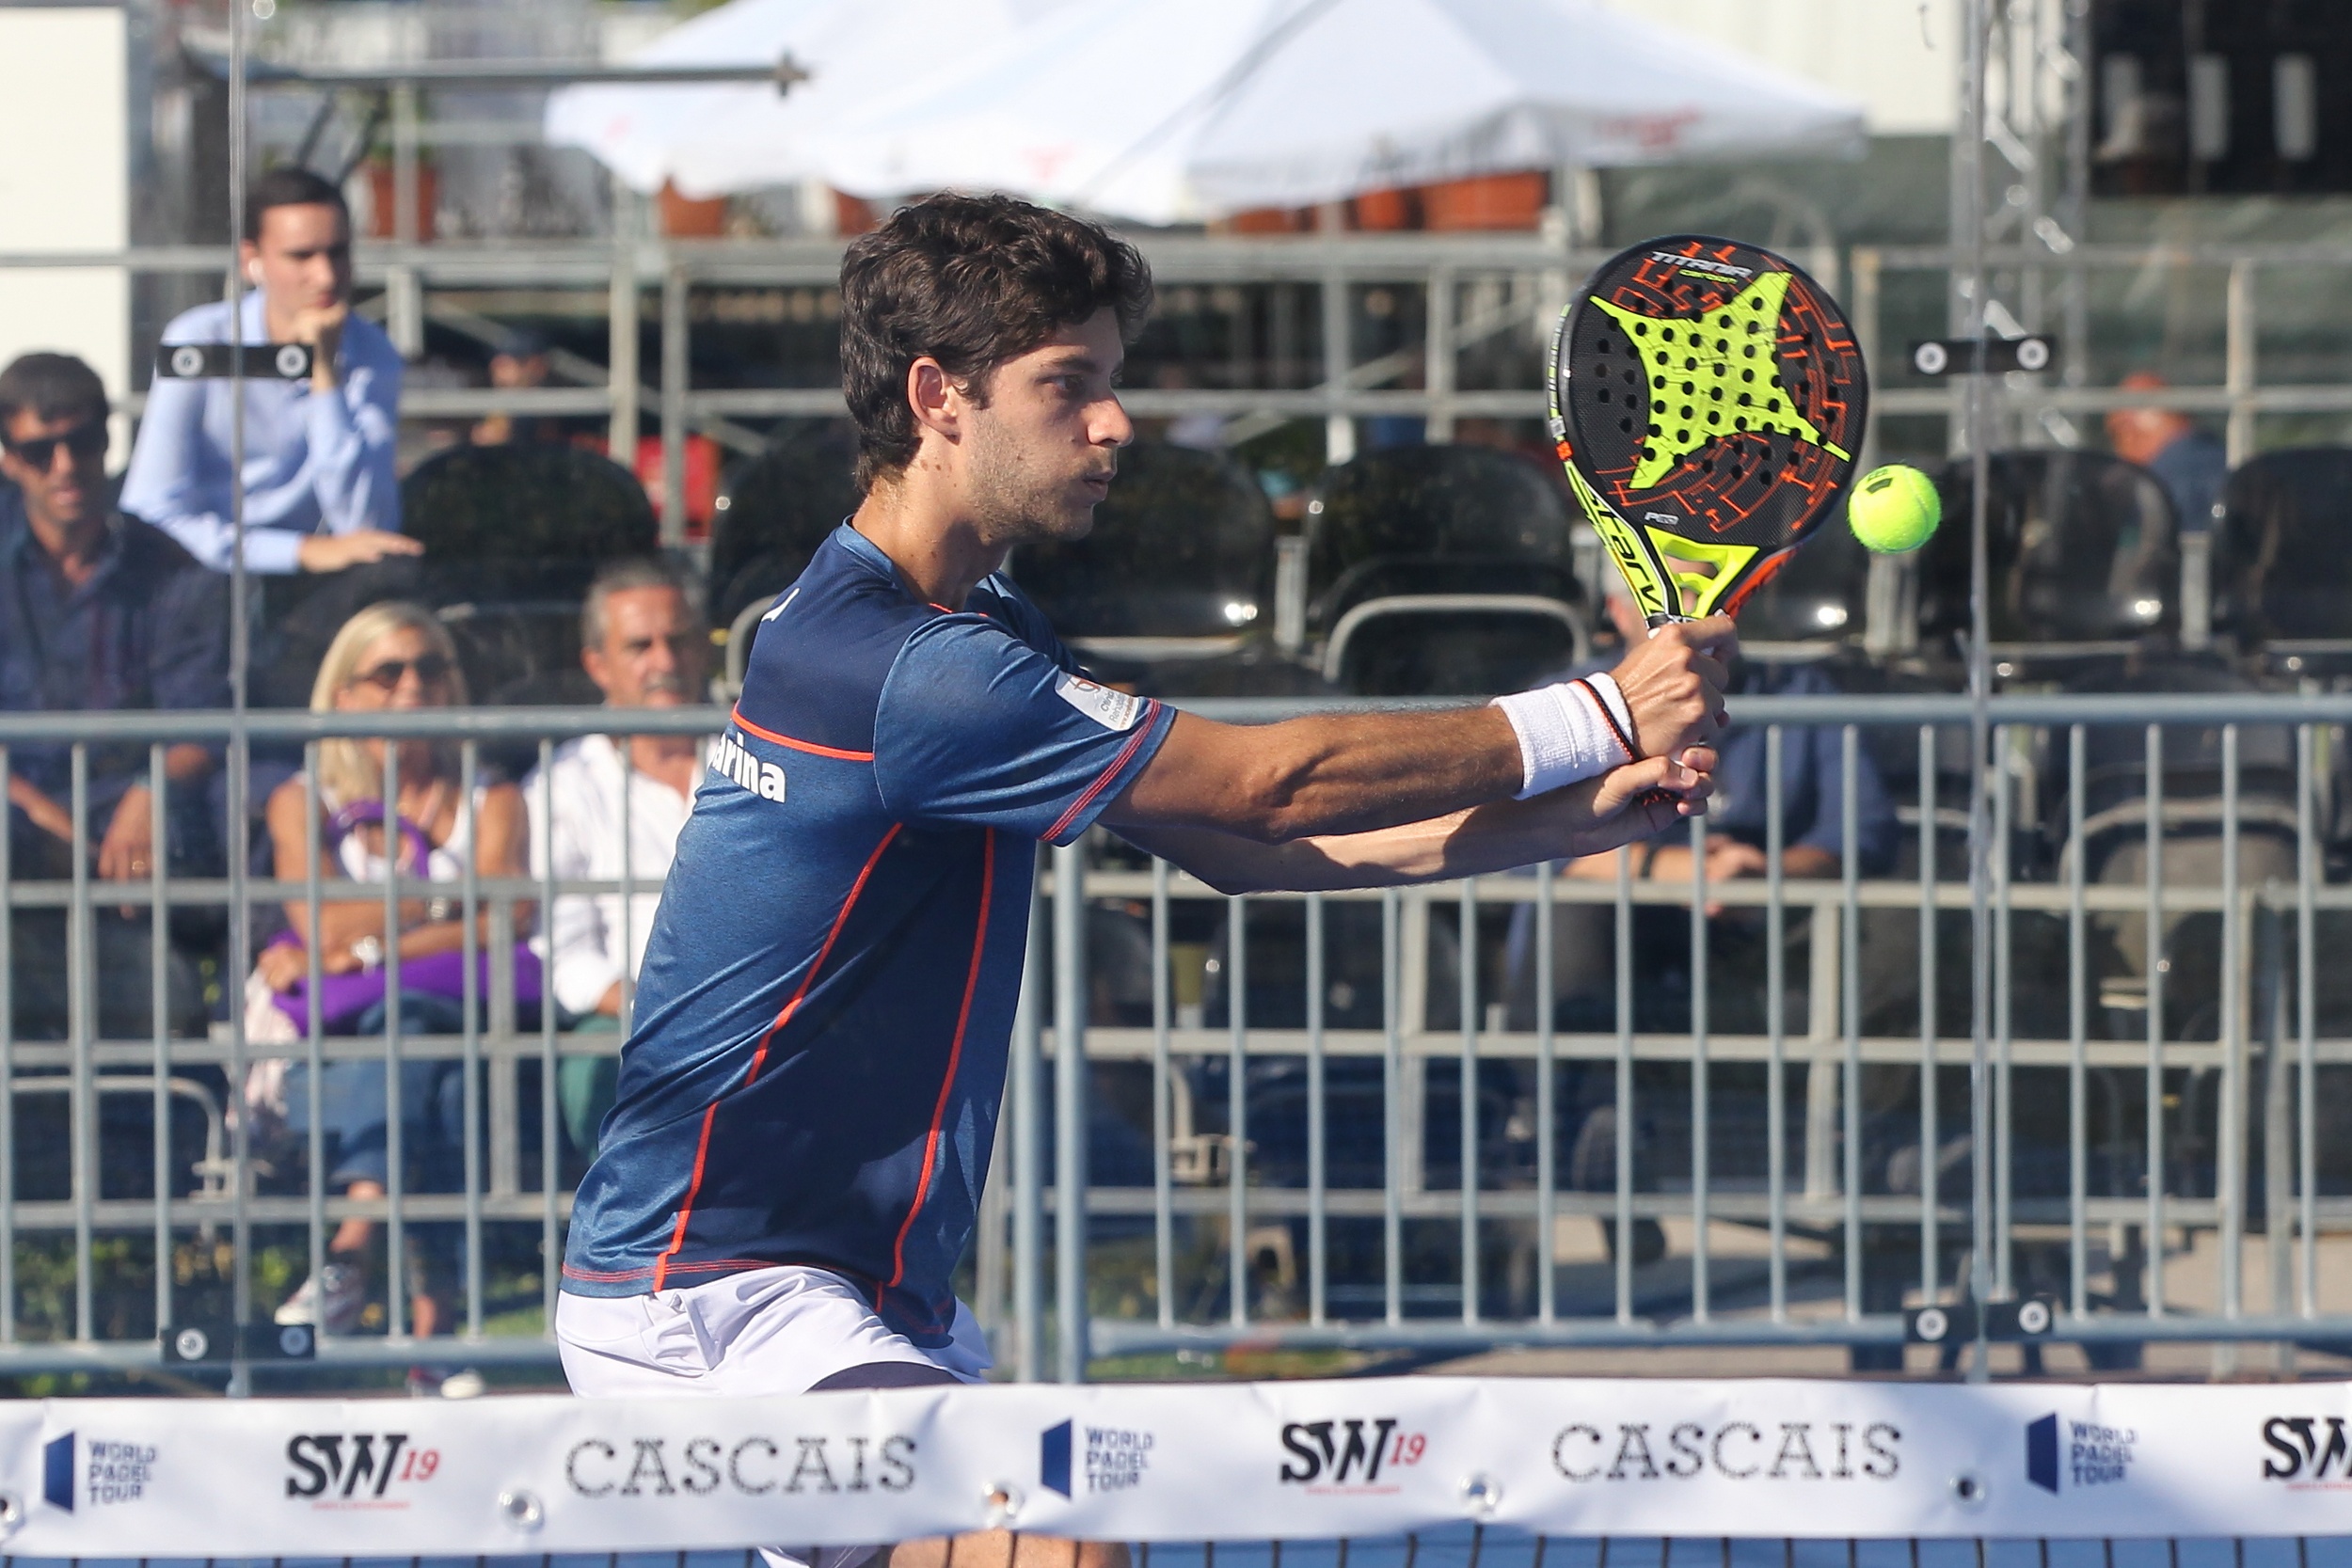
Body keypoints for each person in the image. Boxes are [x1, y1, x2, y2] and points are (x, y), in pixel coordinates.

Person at [554, 193, 1731, 1568]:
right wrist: (1598, 706)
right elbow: (1268, 783)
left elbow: (1254, 848)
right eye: (1071, 386)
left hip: (856, 1292)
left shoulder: (971, 623)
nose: (1113, 423)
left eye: (1110, 382)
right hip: (712, 1297)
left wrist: (1582, 811)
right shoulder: (907, 667)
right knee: (1061, 1553)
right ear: (940, 397)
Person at [248, 602, 532, 1348]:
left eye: (433, 668)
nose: (416, 685)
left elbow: (509, 918)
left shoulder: (490, 794)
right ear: (344, 694)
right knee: (423, 1050)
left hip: (472, 1016)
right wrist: (446, 907)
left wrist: (378, 942)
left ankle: (353, 1248)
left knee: (420, 1041)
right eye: (390, 671)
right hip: (372, 1034)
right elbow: (325, 927)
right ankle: (437, 1336)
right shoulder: (303, 799)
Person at [0, 352, 225, 1039]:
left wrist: (151, 789)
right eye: (41, 450)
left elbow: (204, 718)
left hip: (135, 835)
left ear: (109, 440)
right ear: (7, 458)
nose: (66, 464)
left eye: (85, 440)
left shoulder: (172, 568)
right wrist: (39, 816)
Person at [120, 166, 421, 578]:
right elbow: (151, 510)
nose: (326, 276)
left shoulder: (374, 353)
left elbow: (364, 522)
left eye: (338, 252)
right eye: (302, 256)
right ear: (251, 262)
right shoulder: (198, 340)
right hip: (204, 579)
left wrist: (324, 376)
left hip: (316, 583)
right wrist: (297, 551)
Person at [528, 557, 709, 1161]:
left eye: (678, 640)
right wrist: (656, 1009)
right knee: (601, 1066)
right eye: (640, 646)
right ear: (596, 665)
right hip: (627, 1022)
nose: (664, 661)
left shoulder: (758, 754)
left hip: (761, 1009)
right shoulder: (563, 785)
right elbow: (564, 953)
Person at [2106, 369, 2228, 534]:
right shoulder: (2227, 461)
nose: (2118, 450)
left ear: (2128, 431)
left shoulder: (2149, 489)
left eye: (2115, 434)